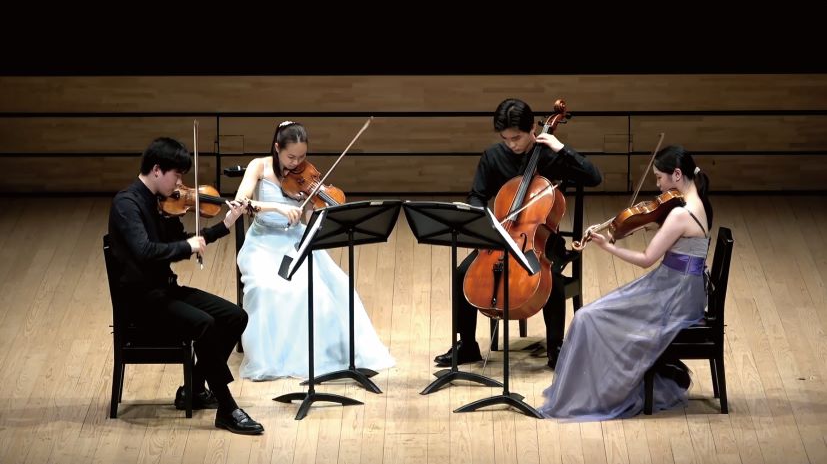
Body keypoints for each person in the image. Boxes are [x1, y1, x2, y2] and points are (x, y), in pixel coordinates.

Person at [538, 145, 713, 421]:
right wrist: (642, 222)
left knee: (588, 318)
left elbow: (646, 259)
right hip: (682, 289)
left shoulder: (681, 214)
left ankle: (598, 394)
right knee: (594, 315)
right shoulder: (695, 204)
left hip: (674, 296)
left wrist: (608, 246)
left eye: (660, 178)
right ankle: (596, 388)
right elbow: (666, 233)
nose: (658, 185)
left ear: (677, 175)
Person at [108, 137, 263, 434]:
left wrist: (225, 224)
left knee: (235, 316)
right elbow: (145, 251)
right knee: (204, 324)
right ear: (157, 170)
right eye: (177, 174)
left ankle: (194, 389)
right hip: (141, 302)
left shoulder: (161, 204)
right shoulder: (127, 204)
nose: (180, 183)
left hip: (164, 291)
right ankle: (227, 408)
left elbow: (182, 243)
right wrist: (186, 246)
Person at [433, 98, 602, 369]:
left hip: (542, 240)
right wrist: (484, 218)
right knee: (463, 272)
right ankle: (467, 345)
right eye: (506, 139)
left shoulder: (551, 155)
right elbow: (476, 196)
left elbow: (595, 177)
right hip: (502, 237)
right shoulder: (493, 156)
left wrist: (562, 148)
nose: (511, 144)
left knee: (551, 278)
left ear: (533, 127)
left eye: (517, 138)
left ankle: (556, 348)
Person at [234, 120, 395, 380]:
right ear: (277, 148)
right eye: (291, 157)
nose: (297, 163)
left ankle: (322, 356)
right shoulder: (259, 166)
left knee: (329, 288)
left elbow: (309, 219)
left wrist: (316, 209)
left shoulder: (306, 176)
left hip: (295, 240)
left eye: (302, 157)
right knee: (268, 288)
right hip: (263, 243)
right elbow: (241, 202)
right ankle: (275, 357)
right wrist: (277, 207)